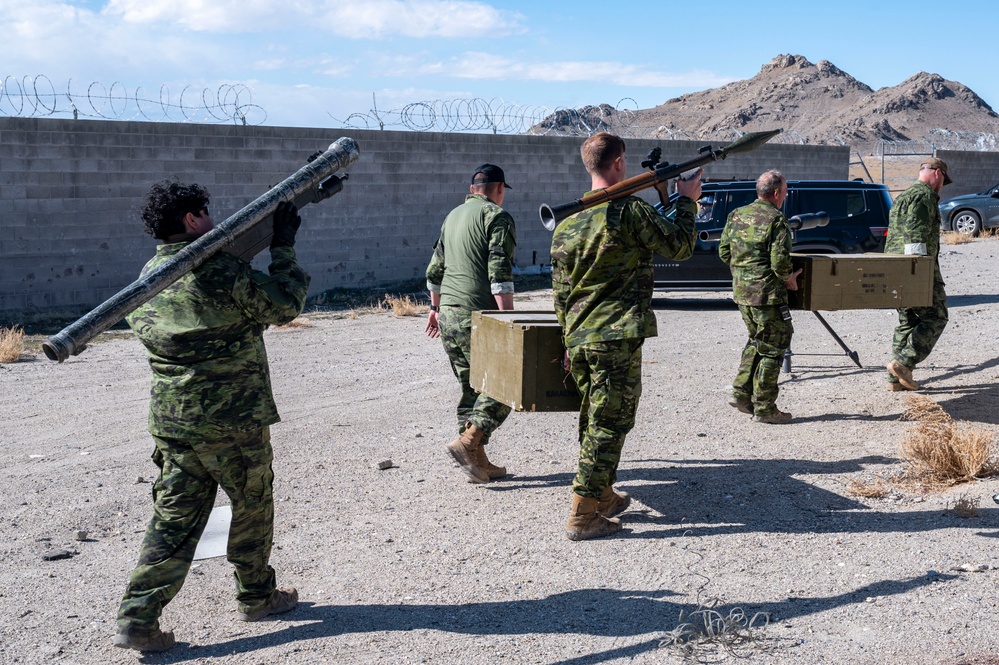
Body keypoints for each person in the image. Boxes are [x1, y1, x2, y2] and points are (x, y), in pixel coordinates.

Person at [114, 182, 310, 652]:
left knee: (174, 517)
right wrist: (283, 249)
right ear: (190, 220)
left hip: (174, 422)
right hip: (231, 418)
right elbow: (285, 305)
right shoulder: (217, 270)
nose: (213, 219)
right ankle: (257, 595)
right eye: (206, 212)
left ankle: (138, 617)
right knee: (252, 503)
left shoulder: (149, 276)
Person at [550, 132, 700, 541]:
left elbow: (561, 292)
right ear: (619, 163)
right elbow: (681, 245)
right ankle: (583, 512)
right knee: (610, 421)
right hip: (615, 334)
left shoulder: (569, 220)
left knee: (596, 416)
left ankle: (602, 492)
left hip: (581, 336)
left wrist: (567, 340)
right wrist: (686, 199)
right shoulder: (629, 210)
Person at [425, 164, 517, 484]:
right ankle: (467, 442)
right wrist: (508, 321)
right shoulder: (496, 217)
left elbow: (435, 270)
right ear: (500, 189)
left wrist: (435, 309)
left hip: (448, 313)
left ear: (472, 188)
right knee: (506, 383)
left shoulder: (452, 217)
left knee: (471, 388)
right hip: (477, 316)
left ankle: (476, 461)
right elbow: (499, 274)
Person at [718, 170, 802, 424]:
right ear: (776, 193)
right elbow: (779, 262)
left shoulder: (737, 215)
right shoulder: (776, 220)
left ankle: (741, 393)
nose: (784, 197)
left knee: (757, 340)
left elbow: (724, 252)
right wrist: (789, 278)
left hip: (743, 294)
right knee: (774, 346)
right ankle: (765, 407)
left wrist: (744, 273)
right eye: (784, 193)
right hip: (768, 296)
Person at [885, 157, 952, 391]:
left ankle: (896, 380)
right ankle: (904, 363)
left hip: (895, 266)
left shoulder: (902, 196)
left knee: (908, 321)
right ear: (937, 173)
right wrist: (920, 273)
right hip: (916, 268)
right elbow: (916, 236)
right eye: (944, 179)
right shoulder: (924, 196)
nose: (942, 185)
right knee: (937, 316)